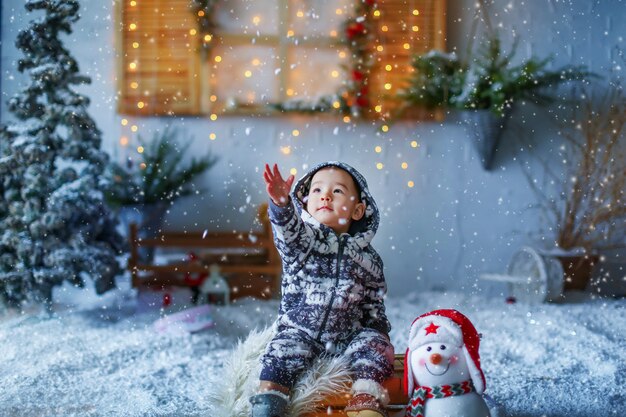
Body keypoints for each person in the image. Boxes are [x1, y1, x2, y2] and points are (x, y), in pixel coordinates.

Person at [250, 162, 394, 417]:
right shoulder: (302, 243)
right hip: (301, 330)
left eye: (337, 191)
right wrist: (282, 205)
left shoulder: (368, 259)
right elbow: (287, 232)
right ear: (305, 204)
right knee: (279, 352)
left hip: (348, 334)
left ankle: (365, 400)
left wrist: (377, 331)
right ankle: (269, 403)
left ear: (358, 210)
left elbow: (374, 300)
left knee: (375, 347)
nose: (325, 195)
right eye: (316, 190)